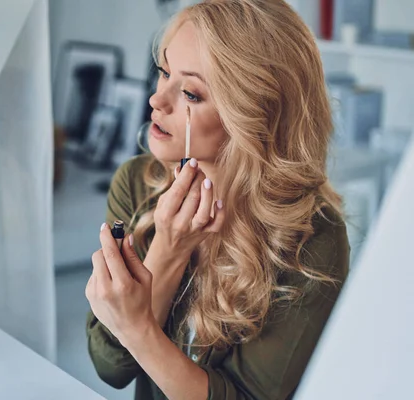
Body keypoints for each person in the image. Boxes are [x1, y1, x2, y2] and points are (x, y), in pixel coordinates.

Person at [84, 1, 350, 399]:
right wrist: (168, 251)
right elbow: (110, 367)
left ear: (255, 116)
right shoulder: (137, 184)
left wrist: (138, 328)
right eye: (163, 72)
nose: (157, 101)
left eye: (190, 93)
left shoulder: (314, 238)